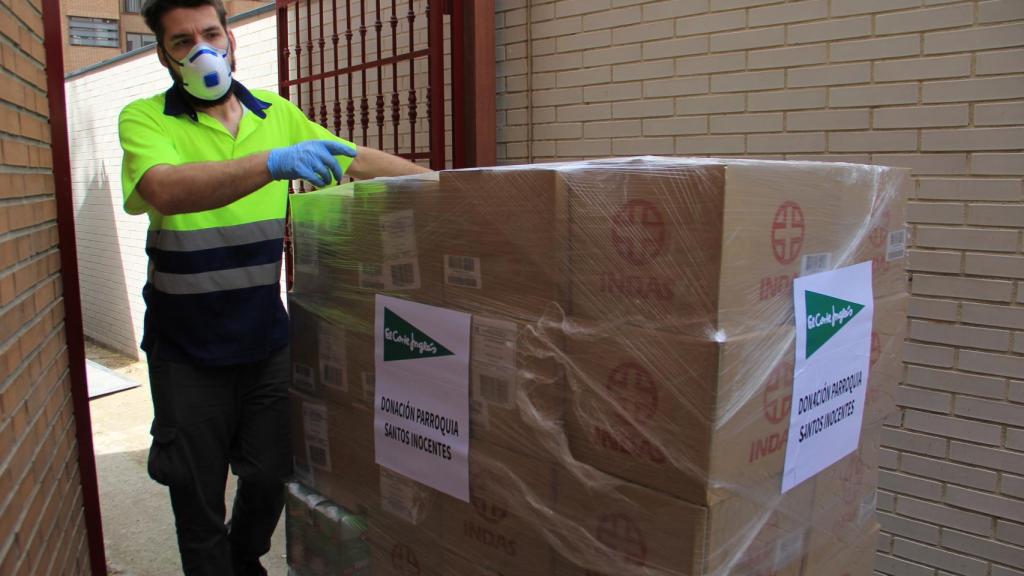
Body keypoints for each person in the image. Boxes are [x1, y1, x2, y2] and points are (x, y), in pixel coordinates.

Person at [118, 0, 429, 573]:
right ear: (164, 56)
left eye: (211, 33)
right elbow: (164, 189)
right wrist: (273, 163)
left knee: (270, 473)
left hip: (263, 340)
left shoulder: (276, 114)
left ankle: (244, 558)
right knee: (196, 493)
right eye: (183, 42)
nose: (202, 50)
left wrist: (444, 183)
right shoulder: (146, 119)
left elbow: (351, 159)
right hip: (186, 349)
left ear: (230, 37)